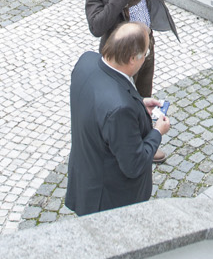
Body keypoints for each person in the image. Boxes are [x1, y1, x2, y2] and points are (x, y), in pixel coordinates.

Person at [63, 21, 170, 217]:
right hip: (109, 200)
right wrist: (157, 132)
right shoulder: (120, 109)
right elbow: (134, 164)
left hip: (85, 173)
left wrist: (139, 103)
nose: (145, 58)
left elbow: (99, 105)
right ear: (132, 59)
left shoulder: (86, 62)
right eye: (145, 54)